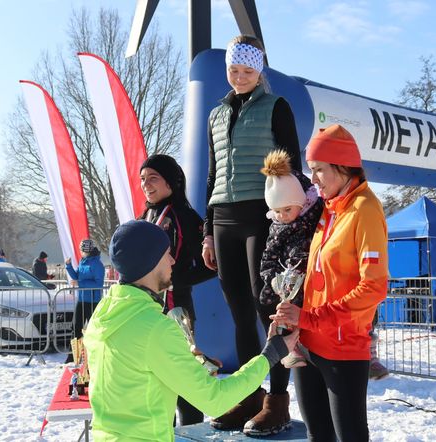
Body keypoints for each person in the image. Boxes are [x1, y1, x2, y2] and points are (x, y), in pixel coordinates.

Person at [84, 220, 298, 441]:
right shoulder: (155, 328)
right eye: (167, 254)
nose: (173, 260)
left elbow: (132, 372)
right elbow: (215, 400)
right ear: (150, 262)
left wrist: (189, 364)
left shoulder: (102, 316)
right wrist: (270, 355)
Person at [201, 34, 303, 435]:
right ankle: (248, 398)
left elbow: (291, 164)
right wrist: (208, 233)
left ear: (259, 70)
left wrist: (288, 221)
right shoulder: (215, 115)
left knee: (268, 310)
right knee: (240, 315)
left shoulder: (277, 106)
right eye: (233, 70)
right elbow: (212, 176)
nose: (240, 77)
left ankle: (277, 402)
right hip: (224, 218)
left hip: (261, 216)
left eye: (247, 70)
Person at [273, 125, 389, 441]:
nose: (314, 179)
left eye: (320, 170)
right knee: (318, 437)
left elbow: (374, 287)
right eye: (312, 170)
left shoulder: (364, 208)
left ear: (342, 165)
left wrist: (312, 318)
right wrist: (291, 310)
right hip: (308, 344)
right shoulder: (329, 208)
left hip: (342, 348)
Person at [138, 153, 217, 426]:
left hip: (176, 311)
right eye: (142, 179)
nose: (146, 184)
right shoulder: (146, 214)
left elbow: (211, 265)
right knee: (155, 381)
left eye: (153, 178)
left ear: (172, 182)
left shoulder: (184, 215)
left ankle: (192, 432)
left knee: (183, 381)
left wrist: (176, 280)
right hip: (145, 312)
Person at [259, 150, 323, 368]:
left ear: (301, 202)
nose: (282, 215)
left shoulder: (316, 214)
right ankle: (289, 347)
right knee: (286, 309)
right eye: (277, 211)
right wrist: (271, 282)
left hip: (315, 277)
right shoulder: (277, 228)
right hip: (290, 280)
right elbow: (268, 257)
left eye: (287, 209)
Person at [65, 239, 105, 344]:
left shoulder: (97, 264)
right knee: (76, 327)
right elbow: (76, 276)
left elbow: (98, 284)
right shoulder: (82, 261)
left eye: (81, 250)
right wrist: (68, 266)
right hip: (82, 300)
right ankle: (72, 355)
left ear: (85, 250)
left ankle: (94, 353)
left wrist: (80, 284)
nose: (80, 252)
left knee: (93, 329)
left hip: (93, 301)